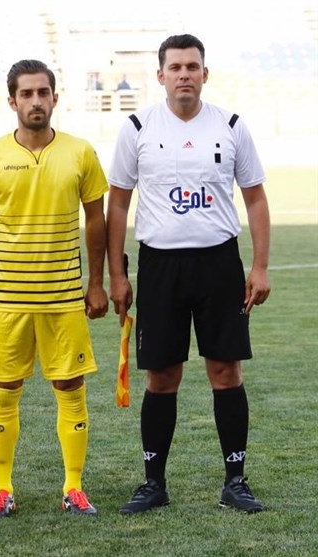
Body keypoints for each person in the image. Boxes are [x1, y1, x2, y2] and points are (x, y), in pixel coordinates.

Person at [106, 33, 270, 515]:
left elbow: (255, 198)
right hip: (160, 266)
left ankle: (235, 480)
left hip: (219, 264)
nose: (184, 75)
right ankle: (153, 482)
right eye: (175, 67)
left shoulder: (231, 126)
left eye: (192, 66)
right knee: (162, 376)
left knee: (225, 371)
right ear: (160, 75)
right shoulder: (137, 127)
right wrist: (117, 274)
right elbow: (119, 203)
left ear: (205, 73)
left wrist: (260, 266)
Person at [0, 59, 108, 518]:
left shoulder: (80, 152)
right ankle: (2, 488)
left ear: (54, 98)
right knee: (4, 390)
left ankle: (74, 487)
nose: (35, 101)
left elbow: (97, 219)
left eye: (42, 92)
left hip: (64, 297)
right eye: (26, 94)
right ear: (12, 101)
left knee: (70, 387)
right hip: (9, 298)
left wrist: (97, 282)